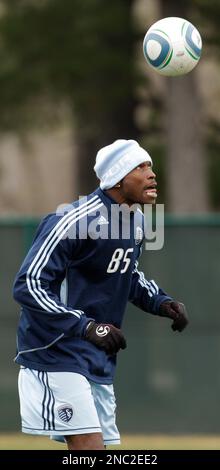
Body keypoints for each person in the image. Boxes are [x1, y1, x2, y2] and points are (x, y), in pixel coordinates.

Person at [13, 139, 188, 450]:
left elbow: (128, 275)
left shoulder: (135, 222)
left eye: (150, 165)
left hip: (96, 354)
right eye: (140, 167)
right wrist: (85, 326)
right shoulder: (73, 220)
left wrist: (163, 302)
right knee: (89, 449)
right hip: (56, 350)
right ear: (118, 178)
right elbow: (29, 285)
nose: (151, 174)